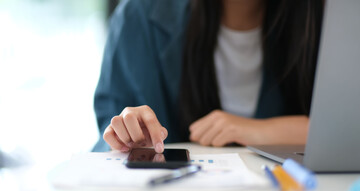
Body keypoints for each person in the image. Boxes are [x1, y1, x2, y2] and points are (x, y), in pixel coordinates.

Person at [93, 0, 324, 153]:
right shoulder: (139, 16)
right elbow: (107, 138)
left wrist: (258, 131)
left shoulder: (331, 17)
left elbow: (348, 132)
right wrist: (128, 139)